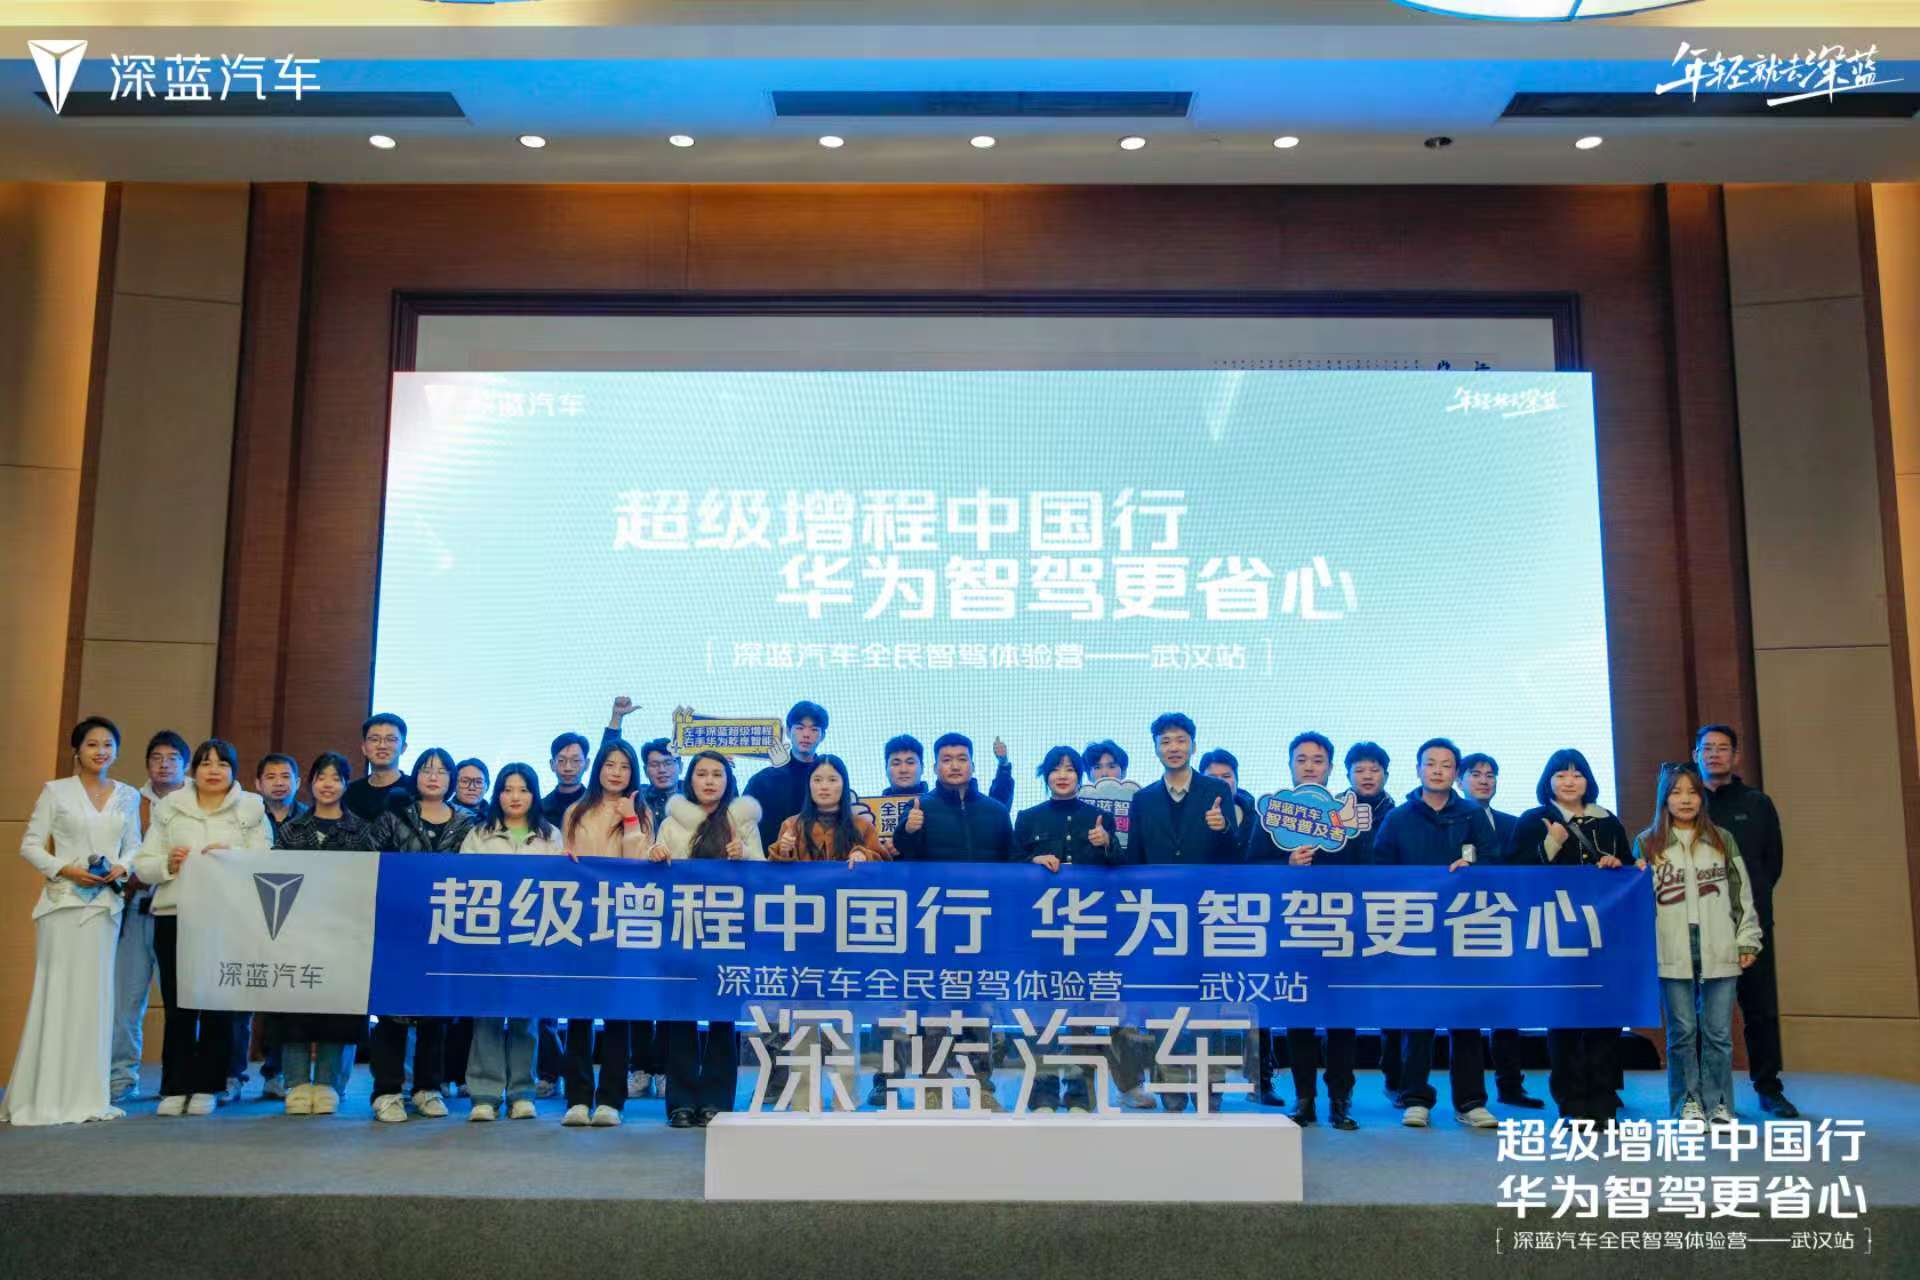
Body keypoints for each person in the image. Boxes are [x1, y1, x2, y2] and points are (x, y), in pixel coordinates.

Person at [1, 717, 141, 1125]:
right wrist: (67, 869)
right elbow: (30, 845)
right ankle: (43, 1095)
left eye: (108, 744)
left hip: (104, 910)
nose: (101, 751)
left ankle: (87, 1096)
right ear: (76, 750)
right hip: (62, 905)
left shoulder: (128, 795)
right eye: (92, 744)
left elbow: (135, 846)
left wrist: (121, 867)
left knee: (95, 1000)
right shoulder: (55, 791)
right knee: (57, 995)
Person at [132, 738, 272, 1117]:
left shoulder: (251, 808)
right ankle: (175, 1086)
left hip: (226, 917)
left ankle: (209, 1084)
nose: (213, 770)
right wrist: (168, 864)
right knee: (178, 1004)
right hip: (174, 913)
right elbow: (143, 863)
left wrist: (232, 858)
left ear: (234, 771)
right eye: (206, 763)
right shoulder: (170, 807)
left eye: (222, 764)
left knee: (217, 1003)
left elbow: (265, 861)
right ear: (194, 770)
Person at [1117, 714, 1242, 1113]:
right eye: (1165, 740)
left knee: (1207, 1010)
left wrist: (1223, 829)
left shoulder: (1215, 791)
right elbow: (1135, 860)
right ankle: (1170, 1088)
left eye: (1180, 739)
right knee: (1164, 1011)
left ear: (1193, 745)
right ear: (1156, 748)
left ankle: (1209, 1090)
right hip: (1158, 920)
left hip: (1207, 917)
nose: (1173, 747)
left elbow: (1235, 857)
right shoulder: (1144, 799)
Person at [1371, 737, 1495, 1129]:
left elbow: (1490, 859)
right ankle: (1416, 1098)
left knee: (1466, 1019)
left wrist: (1472, 867)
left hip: (1464, 930)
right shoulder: (1399, 818)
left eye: (1446, 764)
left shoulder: (1471, 815)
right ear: (1418, 769)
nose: (1438, 770)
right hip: (1414, 930)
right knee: (1418, 1018)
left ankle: (1470, 1101)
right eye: (1431, 763)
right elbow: (1380, 870)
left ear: (1455, 773)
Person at [1508, 748, 1634, 1128]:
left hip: (1602, 936)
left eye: (1577, 774)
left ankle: (1603, 1099)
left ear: (1588, 781)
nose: (1569, 781)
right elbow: (1515, 876)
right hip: (1554, 935)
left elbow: (1629, 873)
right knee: (1563, 1020)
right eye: (1561, 774)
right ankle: (1571, 1102)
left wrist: (1617, 865)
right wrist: (1552, 843)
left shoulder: (1608, 821)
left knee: (1604, 1019)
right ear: (1548, 781)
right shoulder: (1532, 821)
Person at [1639, 761, 1762, 1126]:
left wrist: (1747, 940)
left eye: (1692, 792)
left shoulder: (1722, 838)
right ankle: (1687, 1102)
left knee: (1718, 1033)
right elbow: (1638, 902)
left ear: (1701, 797)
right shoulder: (1647, 842)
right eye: (1676, 792)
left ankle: (1719, 1101)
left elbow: (1741, 893)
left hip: (1719, 945)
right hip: (1672, 948)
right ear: (1664, 798)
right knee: (1682, 1033)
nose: (1685, 799)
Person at [651, 751, 764, 1127]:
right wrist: (655, 853)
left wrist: (745, 854)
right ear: (690, 779)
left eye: (717, 774)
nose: (710, 780)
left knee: (722, 1019)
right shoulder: (672, 822)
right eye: (702, 773)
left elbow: (764, 877)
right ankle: (681, 1103)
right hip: (681, 930)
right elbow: (658, 875)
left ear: (727, 781)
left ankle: (717, 1099)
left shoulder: (742, 821)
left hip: (728, 931)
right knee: (680, 1018)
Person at [364, 748, 476, 1123]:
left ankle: (428, 1088)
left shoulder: (468, 823)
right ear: (416, 776)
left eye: (441, 771)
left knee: (435, 1014)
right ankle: (387, 1091)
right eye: (426, 770)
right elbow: (368, 862)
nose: (433, 776)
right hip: (398, 929)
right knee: (392, 1013)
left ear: (451, 779)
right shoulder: (394, 816)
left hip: (445, 929)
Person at [769, 754, 885, 1110]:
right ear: (809, 786)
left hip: (847, 936)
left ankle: (845, 1098)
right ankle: (803, 1098)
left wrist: (865, 855)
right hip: (803, 936)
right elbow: (773, 878)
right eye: (818, 780)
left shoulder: (861, 825)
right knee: (803, 1022)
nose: (824, 786)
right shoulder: (791, 824)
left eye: (833, 780)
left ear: (844, 785)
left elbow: (884, 864)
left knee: (845, 1021)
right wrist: (783, 853)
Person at [1694, 724, 1796, 1119]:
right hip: (1699, 927)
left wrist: (1748, 908)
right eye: (1707, 748)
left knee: (1760, 1010)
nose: (1714, 754)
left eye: (1723, 748)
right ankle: (1704, 1092)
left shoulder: (1757, 803)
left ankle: (1769, 1087)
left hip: (1750, 925)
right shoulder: (1684, 803)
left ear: (1735, 757)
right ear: (1696, 754)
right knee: (1702, 1013)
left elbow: (1772, 864)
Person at [554, 739, 653, 1128]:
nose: (616, 772)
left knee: (617, 1013)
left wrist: (629, 820)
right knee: (579, 1012)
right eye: (610, 764)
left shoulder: (641, 811)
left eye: (624, 766)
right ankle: (578, 1097)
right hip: (579, 921)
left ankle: (611, 1099)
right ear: (598, 768)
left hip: (622, 921)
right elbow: (565, 861)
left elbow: (638, 865)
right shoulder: (576, 810)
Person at [459, 763, 565, 1121]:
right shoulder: (480, 834)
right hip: (488, 937)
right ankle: (485, 1094)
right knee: (487, 1016)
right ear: (498, 794)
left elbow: (560, 887)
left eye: (523, 789)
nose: (515, 797)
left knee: (525, 1016)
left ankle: (522, 1091)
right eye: (507, 789)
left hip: (532, 938)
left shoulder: (550, 836)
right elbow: (462, 880)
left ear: (534, 794)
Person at [273, 752, 377, 1116]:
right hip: (296, 933)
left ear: (346, 785)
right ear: (310, 783)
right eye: (321, 777)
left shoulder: (362, 831)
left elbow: (369, 883)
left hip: (344, 934)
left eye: (336, 778)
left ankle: (331, 1083)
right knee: (294, 1007)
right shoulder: (291, 830)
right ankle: (297, 1082)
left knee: (339, 1008)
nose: (328, 784)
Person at [1014, 745, 1116, 1112]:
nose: (1063, 775)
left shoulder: (1099, 817)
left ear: (1080, 775)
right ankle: (1042, 1090)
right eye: (1056, 769)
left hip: (1088, 932)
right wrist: (1032, 860)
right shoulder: (1028, 817)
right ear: (1045, 776)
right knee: (1042, 1015)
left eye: (1070, 769)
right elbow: (1009, 867)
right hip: (1042, 933)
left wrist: (1107, 845)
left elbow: (1121, 868)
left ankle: (1078, 1091)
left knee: (1083, 1016)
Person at [1264, 731, 1358, 1130]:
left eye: (1317, 760)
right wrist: (1285, 865)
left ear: (1330, 768)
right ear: (1290, 765)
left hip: (1340, 932)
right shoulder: (1273, 815)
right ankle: (1304, 1099)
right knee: (1298, 1019)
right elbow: (1249, 868)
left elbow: (1370, 870)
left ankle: (1340, 1100)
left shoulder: (1348, 815)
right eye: (1301, 760)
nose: (1309, 766)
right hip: (1292, 931)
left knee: (1342, 1021)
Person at [1459, 751, 1542, 1110]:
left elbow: (1525, 870)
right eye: (1475, 774)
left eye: (1490, 775)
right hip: (1459, 926)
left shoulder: (1513, 824)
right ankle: (1468, 1095)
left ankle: (1510, 1085)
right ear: (1460, 780)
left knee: (1507, 1010)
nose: (1483, 780)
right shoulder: (1450, 822)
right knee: (1465, 1013)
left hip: (1505, 925)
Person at [110, 729, 188, 1102]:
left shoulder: (196, 801)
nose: (164, 765)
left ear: (186, 765)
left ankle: (179, 1081)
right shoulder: (130, 802)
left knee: (181, 1002)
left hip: (182, 912)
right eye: (156, 758)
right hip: (137, 908)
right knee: (126, 1001)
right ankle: (121, 1078)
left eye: (172, 758)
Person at [744, 700, 829, 850]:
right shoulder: (762, 781)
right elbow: (742, 823)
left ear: (822, 736)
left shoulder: (830, 781)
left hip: (816, 861)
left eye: (814, 729)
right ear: (788, 732)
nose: (806, 735)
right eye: (800, 728)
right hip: (768, 860)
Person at [343, 713, 415, 822]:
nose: (382, 746)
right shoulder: (349, 792)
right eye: (374, 739)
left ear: (403, 748)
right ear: (364, 748)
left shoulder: (415, 789)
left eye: (391, 739)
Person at [541, 731, 592, 827]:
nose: (568, 767)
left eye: (575, 761)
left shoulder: (596, 805)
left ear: (587, 764)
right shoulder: (540, 809)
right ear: (552, 764)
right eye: (561, 761)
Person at [255, 754, 307, 842]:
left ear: (297, 783)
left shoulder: (309, 817)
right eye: (271, 777)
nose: (279, 783)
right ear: (258, 784)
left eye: (285, 776)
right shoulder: (248, 815)